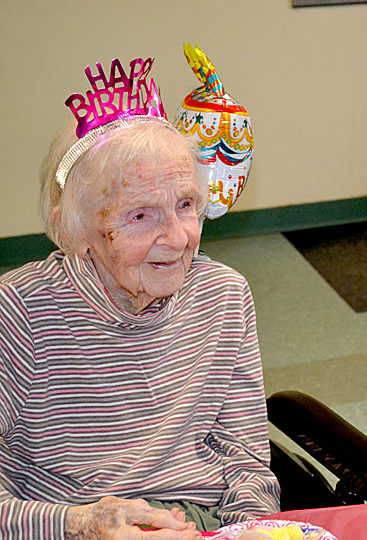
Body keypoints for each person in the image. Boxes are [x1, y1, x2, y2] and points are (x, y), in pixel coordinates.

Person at [0, 58, 279, 539]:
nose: (176, 237)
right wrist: (79, 524)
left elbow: (245, 458)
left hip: (200, 524)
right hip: (75, 524)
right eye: (141, 216)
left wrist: (250, 529)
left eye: (185, 205)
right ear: (79, 229)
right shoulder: (20, 312)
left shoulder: (224, 295)